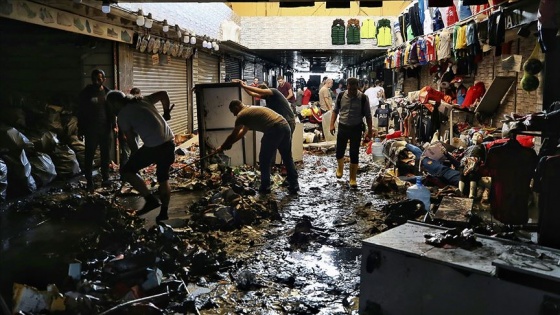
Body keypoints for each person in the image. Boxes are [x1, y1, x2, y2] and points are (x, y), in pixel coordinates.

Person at [106, 90, 175, 222]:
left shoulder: (122, 116)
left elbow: (131, 140)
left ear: (114, 103)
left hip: (153, 147)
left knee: (127, 170)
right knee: (163, 178)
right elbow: (163, 94)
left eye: (110, 105)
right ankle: (164, 212)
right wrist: (166, 112)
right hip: (169, 143)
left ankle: (150, 200)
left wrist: (135, 156)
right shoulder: (143, 99)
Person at [216, 100, 300, 194]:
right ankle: (294, 185)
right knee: (287, 157)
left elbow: (233, 135)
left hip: (274, 129)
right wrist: (229, 144)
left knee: (264, 159)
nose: (234, 115)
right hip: (285, 126)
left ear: (236, 108)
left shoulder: (241, 115)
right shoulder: (250, 110)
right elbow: (241, 133)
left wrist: (222, 147)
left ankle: (265, 187)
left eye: (233, 112)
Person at [329, 77, 373, 188]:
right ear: (347, 86)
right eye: (350, 89)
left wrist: (370, 131)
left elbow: (368, 115)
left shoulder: (363, 98)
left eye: (354, 89)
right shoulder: (341, 96)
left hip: (356, 128)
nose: (352, 92)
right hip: (343, 127)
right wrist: (331, 124)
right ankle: (340, 167)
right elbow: (335, 111)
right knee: (339, 150)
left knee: (354, 153)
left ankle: (352, 178)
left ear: (357, 87)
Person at [78, 69, 113, 192]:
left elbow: (113, 111)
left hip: (105, 130)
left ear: (104, 79)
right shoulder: (86, 93)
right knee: (89, 156)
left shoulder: (108, 93)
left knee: (105, 155)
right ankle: (89, 181)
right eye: (94, 79)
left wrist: (115, 125)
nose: (96, 81)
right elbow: (80, 112)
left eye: (99, 79)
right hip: (91, 130)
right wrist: (80, 130)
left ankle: (106, 178)